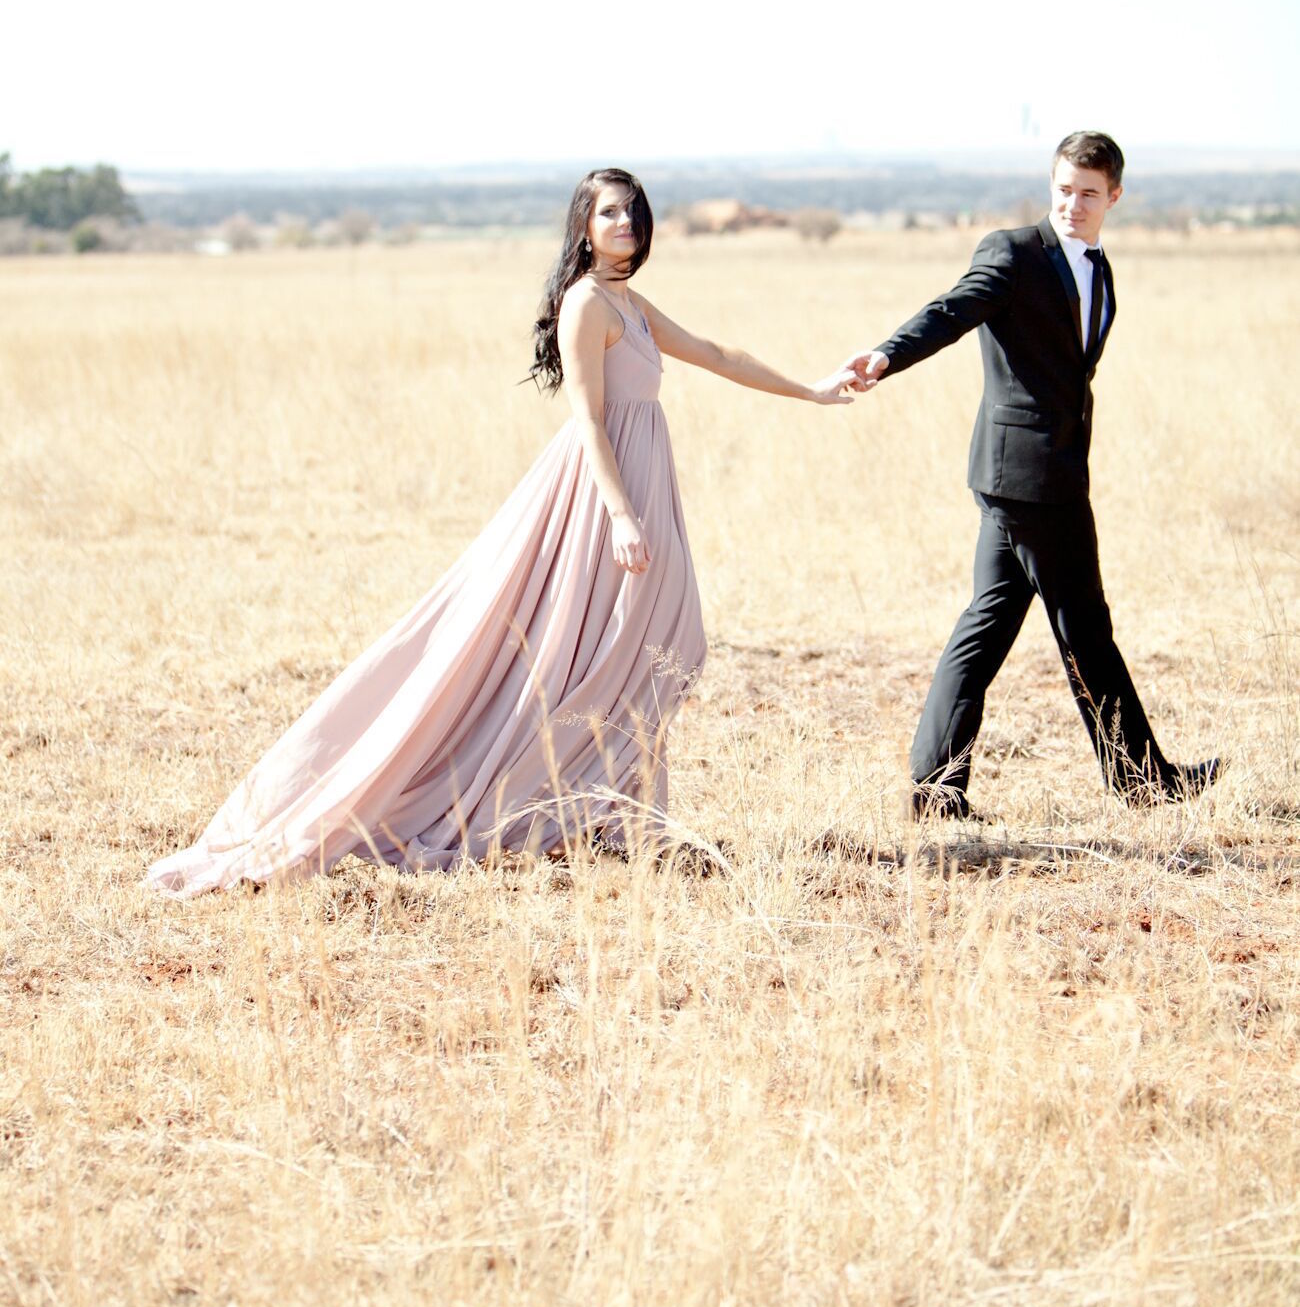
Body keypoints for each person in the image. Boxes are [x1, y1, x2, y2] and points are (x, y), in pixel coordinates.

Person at [146, 169, 857, 895]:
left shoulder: (630, 304)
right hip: (599, 495)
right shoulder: (587, 304)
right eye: (608, 212)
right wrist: (618, 511)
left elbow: (718, 354)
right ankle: (560, 805)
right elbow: (586, 416)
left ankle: (614, 813)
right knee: (580, 647)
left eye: (633, 212)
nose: (624, 223)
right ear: (583, 224)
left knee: (648, 644)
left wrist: (813, 389)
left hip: (644, 484)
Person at [849, 132, 1220, 819]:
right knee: (1086, 627)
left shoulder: (1098, 269)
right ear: (1050, 184)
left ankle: (934, 793)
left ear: (1114, 196)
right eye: (1063, 189)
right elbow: (953, 310)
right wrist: (886, 355)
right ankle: (1142, 780)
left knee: (986, 627)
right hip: (1028, 478)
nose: (1072, 204)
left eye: (1087, 193)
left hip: (1036, 473)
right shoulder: (1014, 253)